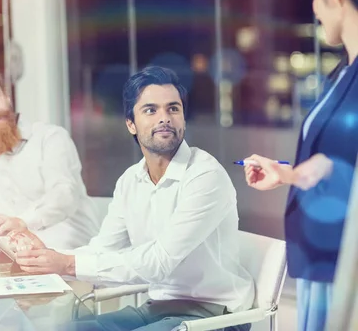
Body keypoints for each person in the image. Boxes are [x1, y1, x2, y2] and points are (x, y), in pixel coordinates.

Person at [14, 66, 253, 331]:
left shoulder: (205, 175)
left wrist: (66, 263)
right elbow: (103, 249)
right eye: (151, 110)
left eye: (173, 109)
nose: (165, 118)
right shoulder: (130, 181)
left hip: (214, 316)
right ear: (131, 124)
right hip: (158, 307)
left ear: (183, 119)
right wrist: (49, 257)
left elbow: (158, 262)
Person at [243, 0, 358, 331]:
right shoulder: (342, 74)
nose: (313, 9)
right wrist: (285, 173)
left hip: (344, 263)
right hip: (318, 259)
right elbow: (337, 161)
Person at [0, 62, 99, 250]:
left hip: (71, 257)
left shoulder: (51, 138)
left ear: (7, 96)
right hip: (16, 261)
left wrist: (22, 221)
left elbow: (65, 195)